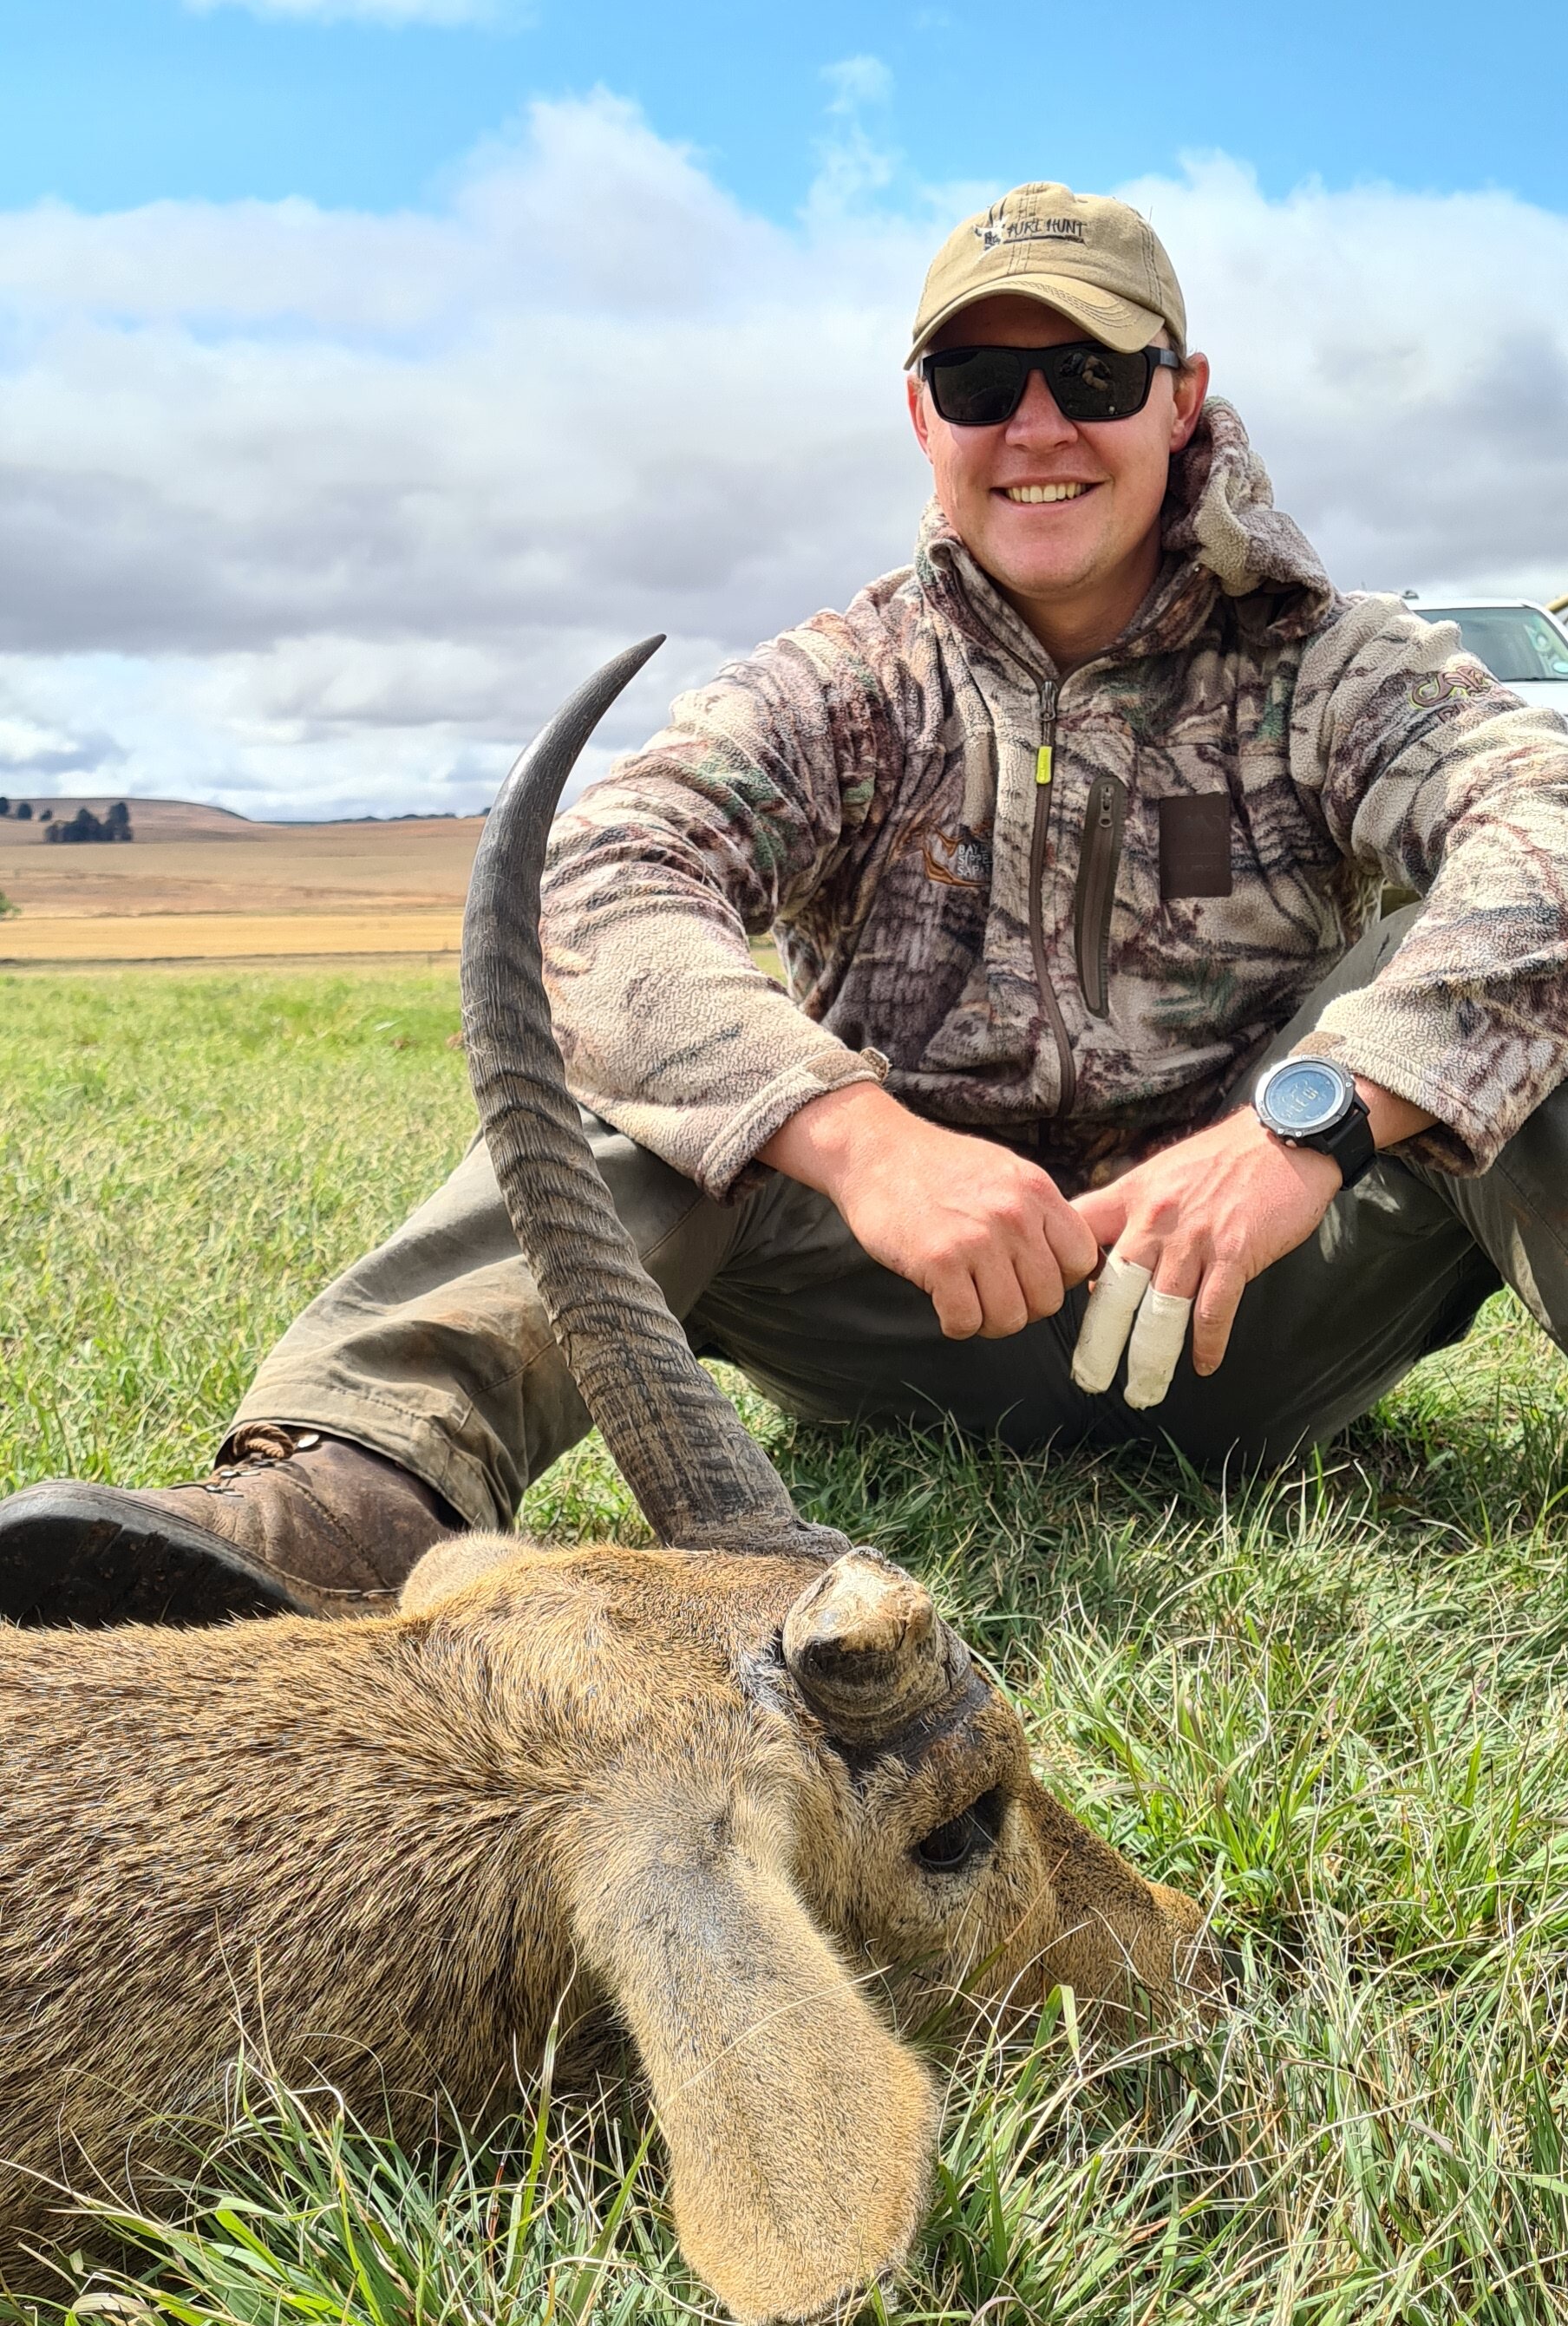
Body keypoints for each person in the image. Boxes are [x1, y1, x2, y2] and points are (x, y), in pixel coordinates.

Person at [9, 179, 1568, 1620]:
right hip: (894, 1318)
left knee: (1524, 1017)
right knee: (649, 1093)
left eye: (1093, 378)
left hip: (1261, 1305)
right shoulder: (849, 683)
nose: (1039, 426)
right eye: (981, 386)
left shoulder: (1338, 667)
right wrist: (859, 1140)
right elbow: (608, 872)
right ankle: (348, 1499)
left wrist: (1311, 1126)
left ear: (1183, 398)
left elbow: (1544, 820)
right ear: (920, 416)